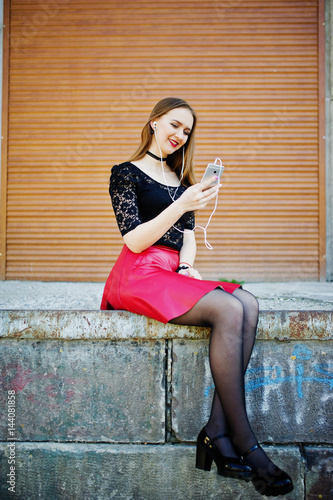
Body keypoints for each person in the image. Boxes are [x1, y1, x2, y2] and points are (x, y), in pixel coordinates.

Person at [101, 97, 293, 497]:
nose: (179, 135)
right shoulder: (125, 173)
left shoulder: (183, 181)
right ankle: (245, 444)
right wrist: (182, 204)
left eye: (186, 131)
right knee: (227, 307)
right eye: (173, 125)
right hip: (137, 273)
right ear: (154, 123)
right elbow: (134, 240)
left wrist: (187, 266)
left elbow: (187, 239)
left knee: (248, 303)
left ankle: (217, 433)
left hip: (170, 272)